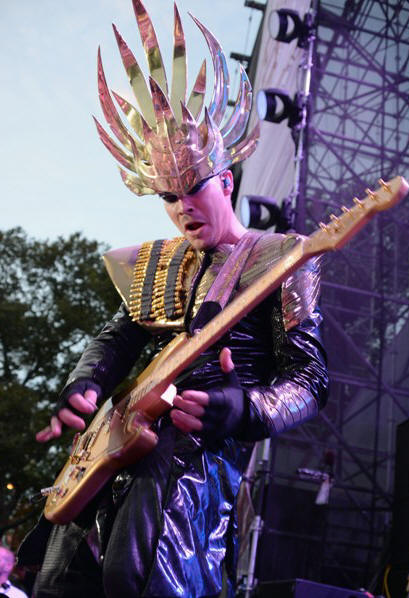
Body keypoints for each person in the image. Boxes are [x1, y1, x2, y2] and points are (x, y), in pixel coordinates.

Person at [18, 1, 328, 596]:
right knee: (59, 577)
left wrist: (244, 410)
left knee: (140, 578)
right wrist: (85, 385)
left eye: (193, 188)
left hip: (196, 458)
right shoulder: (160, 260)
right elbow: (120, 335)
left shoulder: (283, 258)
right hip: (118, 440)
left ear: (227, 181)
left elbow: (310, 380)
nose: (182, 205)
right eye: (167, 194)